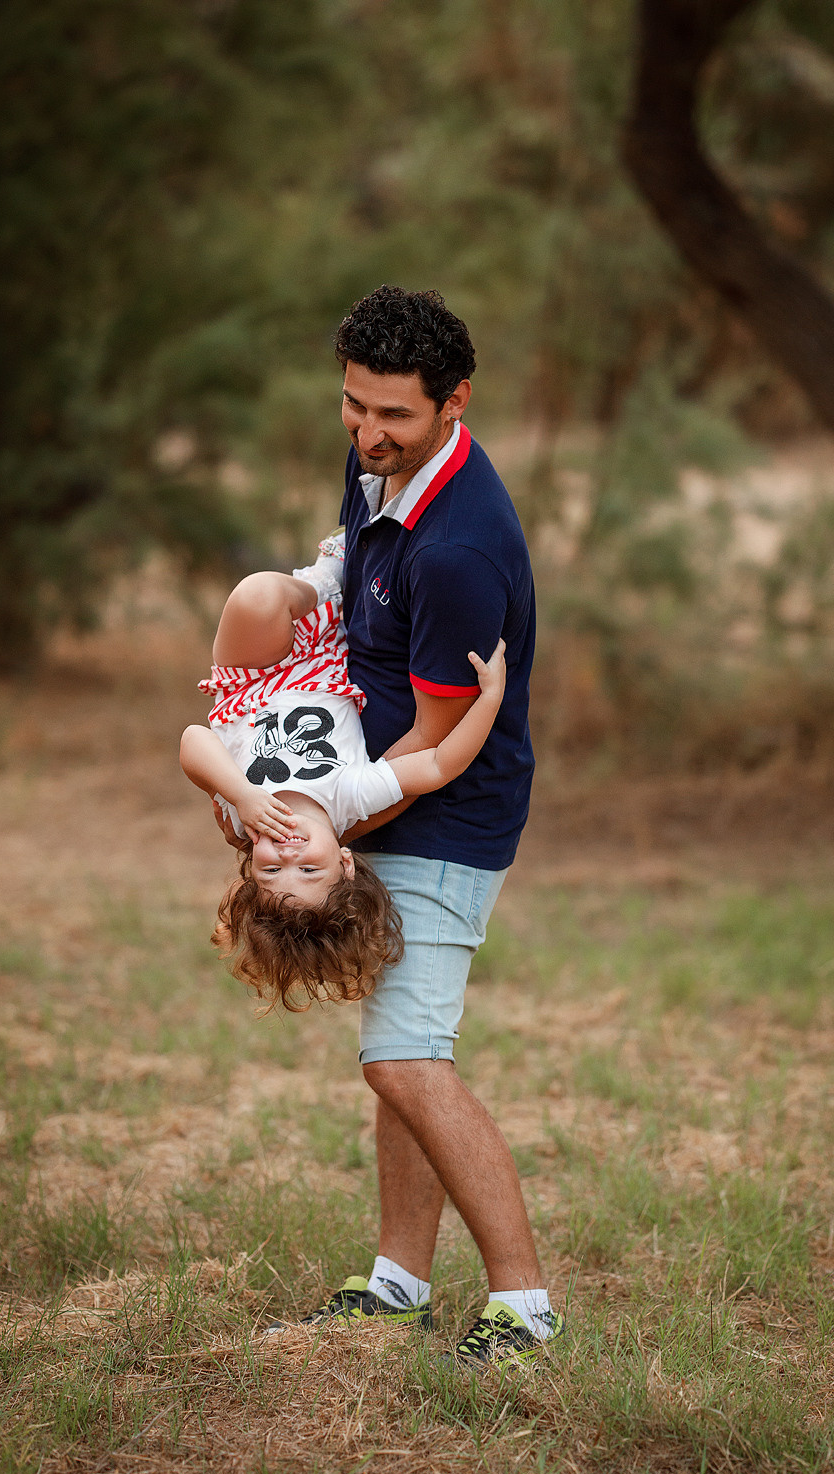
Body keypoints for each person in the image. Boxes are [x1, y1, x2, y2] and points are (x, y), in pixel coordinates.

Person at [293, 284, 564, 1368]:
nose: (366, 433)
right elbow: (353, 607)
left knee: (406, 1058)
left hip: (445, 816)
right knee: (393, 1050)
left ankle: (526, 1305)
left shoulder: (460, 553)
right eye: (353, 405)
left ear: (455, 400)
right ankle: (399, 1281)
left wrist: (321, 824)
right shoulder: (378, 468)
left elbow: (430, 751)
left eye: (393, 414)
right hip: (382, 794)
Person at [179, 533, 506, 1010]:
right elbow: (437, 765)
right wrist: (491, 699)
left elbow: (194, 739)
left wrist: (242, 794)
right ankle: (339, 585)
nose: (288, 853)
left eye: (272, 868)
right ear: (345, 863)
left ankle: (327, 575)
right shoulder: (350, 797)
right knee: (303, 608)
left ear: (252, 867)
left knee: (256, 596)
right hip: (325, 662)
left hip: (251, 675)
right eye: (310, 868)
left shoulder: (240, 814)